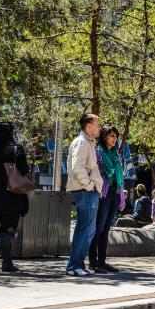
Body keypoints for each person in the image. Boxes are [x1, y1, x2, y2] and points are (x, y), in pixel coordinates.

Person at [0, 122, 30, 273]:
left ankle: (7, 263)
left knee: (5, 229)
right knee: (9, 230)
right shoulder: (16, 148)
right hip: (12, 196)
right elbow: (24, 169)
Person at [66, 114, 103, 277]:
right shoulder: (81, 142)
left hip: (87, 190)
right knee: (84, 228)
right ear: (88, 127)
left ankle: (78, 264)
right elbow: (77, 167)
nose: (100, 128)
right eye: (97, 125)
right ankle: (73, 266)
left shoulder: (88, 143)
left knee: (89, 229)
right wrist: (89, 185)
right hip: (84, 190)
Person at [88, 125, 124, 274]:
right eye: (111, 136)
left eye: (116, 136)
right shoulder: (98, 152)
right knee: (98, 228)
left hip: (114, 193)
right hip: (103, 193)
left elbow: (119, 178)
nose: (114, 139)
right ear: (104, 137)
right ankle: (93, 262)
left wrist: (121, 197)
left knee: (106, 229)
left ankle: (102, 262)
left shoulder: (116, 155)